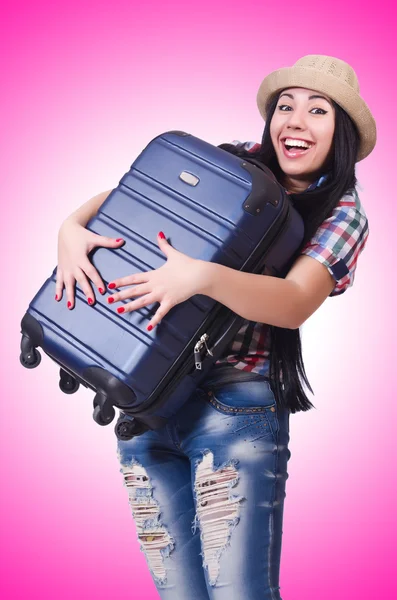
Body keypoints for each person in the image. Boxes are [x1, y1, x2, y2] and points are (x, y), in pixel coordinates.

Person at [55, 55, 376, 599]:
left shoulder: (342, 212)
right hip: (147, 406)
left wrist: (202, 276)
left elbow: (295, 302)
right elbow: (127, 197)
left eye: (317, 110)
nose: (295, 120)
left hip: (238, 411)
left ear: (340, 132)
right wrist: (69, 228)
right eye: (285, 106)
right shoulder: (232, 162)